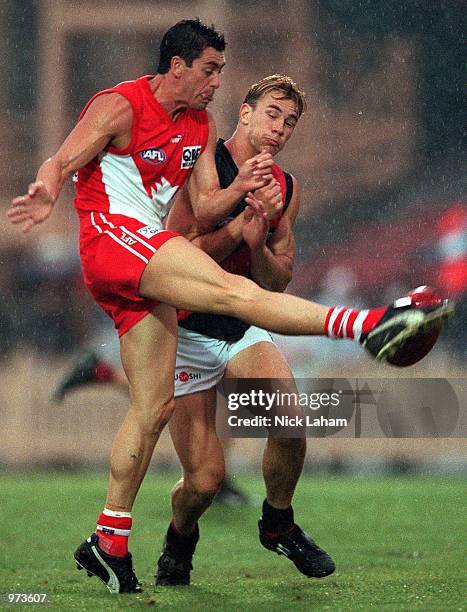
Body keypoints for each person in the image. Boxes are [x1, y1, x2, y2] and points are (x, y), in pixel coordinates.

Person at [8, 19, 452, 595]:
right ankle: (367, 322)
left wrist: (248, 199)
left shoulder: (205, 128)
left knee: (154, 411)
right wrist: (45, 188)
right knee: (227, 290)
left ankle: (108, 539)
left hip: (167, 285)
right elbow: (63, 161)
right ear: (179, 67)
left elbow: (216, 211)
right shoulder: (121, 105)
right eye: (211, 69)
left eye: (291, 120)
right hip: (117, 241)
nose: (217, 80)